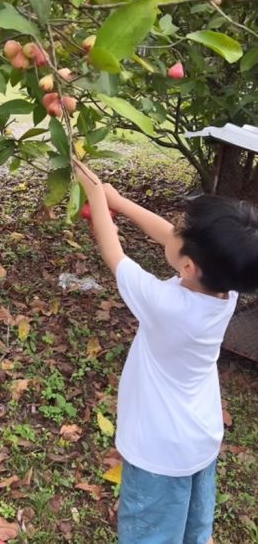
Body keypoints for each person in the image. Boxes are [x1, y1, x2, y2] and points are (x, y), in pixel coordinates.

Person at [72, 159, 258, 544]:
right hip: (199, 438)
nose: (171, 230)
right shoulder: (226, 291)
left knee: (152, 533)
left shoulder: (165, 306)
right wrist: (119, 201)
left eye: (180, 231)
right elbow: (171, 238)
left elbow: (114, 253)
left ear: (188, 266)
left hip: (157, 449)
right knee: (193, 526)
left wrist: (95, 195)